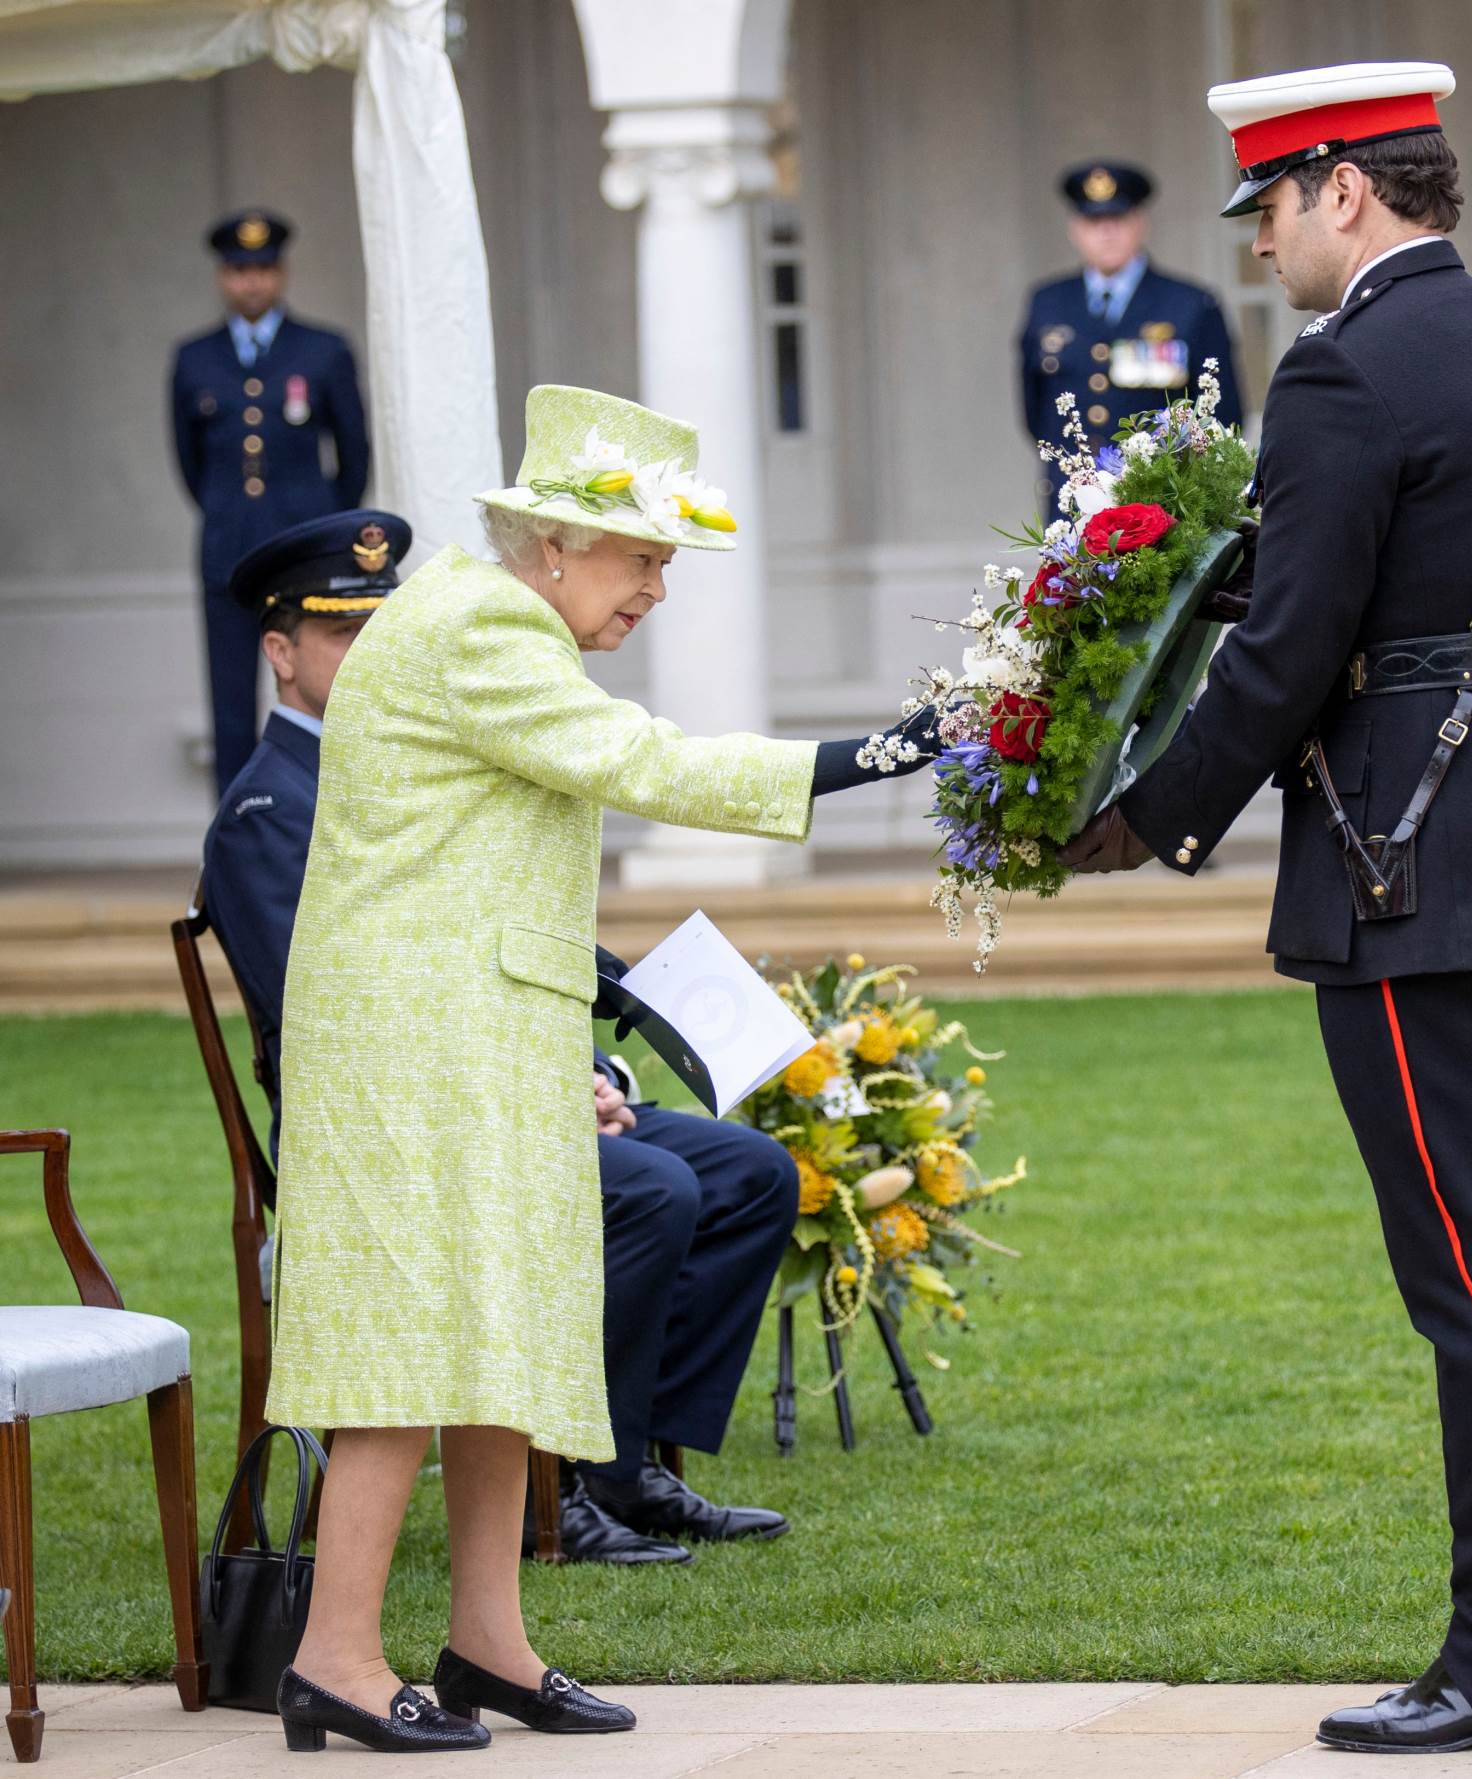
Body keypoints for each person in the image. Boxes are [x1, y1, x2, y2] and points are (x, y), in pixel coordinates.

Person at [1062, 64, 1472, 1754]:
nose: (1258, 245)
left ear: (1344, 188)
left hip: (1418, 858)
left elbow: (1290, 649)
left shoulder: (1341, 374)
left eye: (1268, 205)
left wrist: (1142, 812)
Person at [266, 386, 935, 1754]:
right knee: (410, 1337)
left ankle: (487, 1642)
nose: (658, 590)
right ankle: (333, 1655)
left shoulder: (478, 616)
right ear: (557, 544)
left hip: (466, 1026)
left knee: (507, 1326)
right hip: (417, 1038)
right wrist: (886, 751)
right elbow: (649, 761)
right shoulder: (488, 626)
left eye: (666, 564)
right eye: (643, 559)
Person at [202, 508, 799, 1571]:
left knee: (750, 1170)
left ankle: (625, 1463)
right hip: (397, 1115)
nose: (375, 648)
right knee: (655, 1191)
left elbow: (487, 920)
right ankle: (566, 1484)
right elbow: (337, 999)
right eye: (343, 634)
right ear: (280, 651)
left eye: (379, 625)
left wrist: (595, 1066)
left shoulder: (434, 735)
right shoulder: (267, 808)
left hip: (505, 1068)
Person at [169, 210, 370, 794]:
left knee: (322, 686)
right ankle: (236, 838)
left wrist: (325, 527)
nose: (251, 281)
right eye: (238, 270)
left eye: (262, 269)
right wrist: (229, 513)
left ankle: (327, 817)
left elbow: (353, 455)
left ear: (281, 273)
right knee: (230, 703)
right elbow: (189, 462)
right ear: (222, 277)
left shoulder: (324, 350)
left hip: (306, 554)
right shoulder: (194, 358)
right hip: (228, 551)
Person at [1017, 161, 1242, 500]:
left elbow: (1221, 414)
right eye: (1093, 221)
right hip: (1072, 503)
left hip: (1161, 504)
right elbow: (1035, 411)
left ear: (1140, 223)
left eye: (1118, 220)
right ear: (1074, 229)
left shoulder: (1191, 304)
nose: (1106, 232)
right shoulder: (1046, 303)